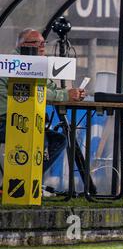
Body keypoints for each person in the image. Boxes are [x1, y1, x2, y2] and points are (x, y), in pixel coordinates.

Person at [0, 29, 86, 178]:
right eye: (36, 43)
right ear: (22, 44)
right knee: (41, 139)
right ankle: (20, 181)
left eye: (43, 43)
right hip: (4, 120)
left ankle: (27, 180)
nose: (42, 47)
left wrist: (73, 93)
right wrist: (66, 94)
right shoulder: (15, 62)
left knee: (59, 140)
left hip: (17, 120)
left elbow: (48, 88)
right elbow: (32, 92)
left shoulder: (33, 62)